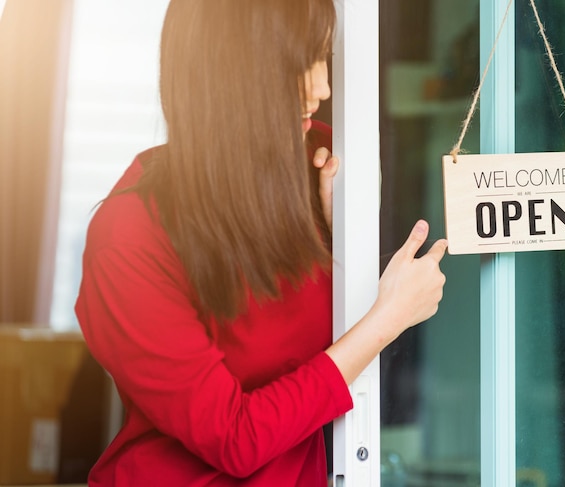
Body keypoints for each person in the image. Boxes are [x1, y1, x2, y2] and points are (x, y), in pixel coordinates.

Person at [75, 0, 448, 486]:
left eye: (322, 57)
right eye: (300, 64)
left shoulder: (320, 162)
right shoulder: (127, 237)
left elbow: (341, 354)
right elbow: (234, 437)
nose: (323, 88)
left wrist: (346, 247)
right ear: (232, 73)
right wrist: (387, 319)